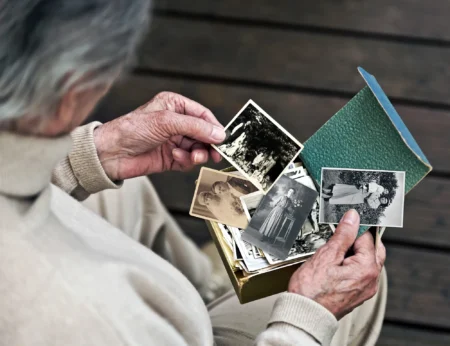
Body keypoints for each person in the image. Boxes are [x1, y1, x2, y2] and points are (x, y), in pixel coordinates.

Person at [0, 1, 387, 345]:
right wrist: (304, 321)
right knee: (360, 286)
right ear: (74, 88)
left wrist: (81, 160)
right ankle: (213, 294)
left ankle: (208, 284)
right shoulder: (88, 318)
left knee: (118, 191)